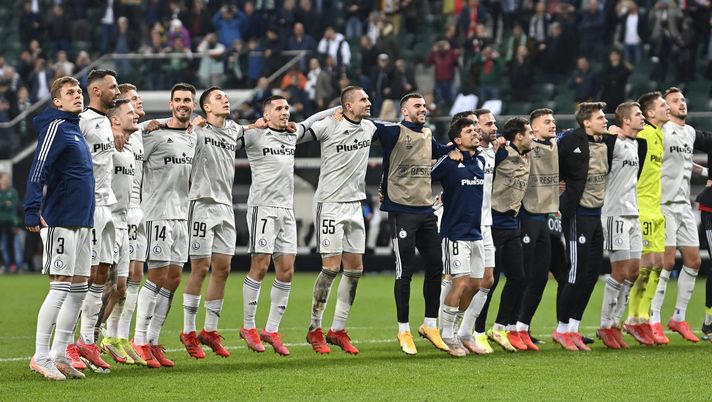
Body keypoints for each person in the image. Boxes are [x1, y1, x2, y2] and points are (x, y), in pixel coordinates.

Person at [239, 96, 335, 356]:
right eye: (279, 109)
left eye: (286, 108)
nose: (285, 112)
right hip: (262, 208)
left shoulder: (292, 135)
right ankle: (248, 327)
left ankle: (271, 329)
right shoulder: (255, 135)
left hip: (286, 210)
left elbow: (314, 120)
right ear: (266, 114)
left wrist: (339, 107)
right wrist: (249, 126)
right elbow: (227, 133)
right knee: (259, 266)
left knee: (287, 270)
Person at [374, 93, 454, 355]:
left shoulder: (428, 134)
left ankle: (430, 325)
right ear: (404, 111)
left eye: (424, 105)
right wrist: (339, 113)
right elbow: (367, 127)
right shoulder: (393, 132)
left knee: (436, 266)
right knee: (404, 270)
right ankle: (403, 329)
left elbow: (441, 151)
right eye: (417, 106)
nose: (424, 109)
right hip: (401, 210)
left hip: (425, 210)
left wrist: (457, 147)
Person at [25, 76, 93, 380]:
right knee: (61, 285)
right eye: (70, 93)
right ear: (57, 101)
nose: (78, 95)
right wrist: (31, 208)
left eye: (79, 91)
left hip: (82, 220)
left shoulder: (74, 130)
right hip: (62, 218)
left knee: (79, 288)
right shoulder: (56, 128)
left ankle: (60, 353)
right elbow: (38, 168)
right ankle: (41, 355)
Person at [302, 86, 376, 355]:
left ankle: (338, 329)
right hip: (330, 205)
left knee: (355, 270)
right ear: (347, 106)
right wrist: (328, 111)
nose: (369, 102)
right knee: (331, 268)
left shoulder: (369, 128)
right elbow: (299, 130)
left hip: (355, 206)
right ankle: (314, 328)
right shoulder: (328, 126)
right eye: (363, 99)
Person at [132, 83, 197, 368]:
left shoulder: (195, 136)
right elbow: (128, 137)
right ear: (170, 104)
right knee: (157, 276)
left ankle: (154, 340)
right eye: (178, 100)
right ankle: (139, 340)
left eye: (187, 100)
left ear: (193, 105)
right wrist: (147, 123)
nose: (183, 104)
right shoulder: (154, 134)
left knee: (173, 278)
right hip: (157, 214)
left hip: (181, 216)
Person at [180, 87, 247, 359]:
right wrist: (191, 123)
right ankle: (188, 331)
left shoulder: (232, 129)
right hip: (202, 203)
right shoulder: (197, 129)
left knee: (223, 268)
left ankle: (210, 330)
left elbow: (251, 128)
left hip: (225, 205)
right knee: (200, 267)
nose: (225, 99)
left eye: (226, 97)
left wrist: (261, 122)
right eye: (218, 98)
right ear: (206, 107)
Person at [652, 88, 712, 343]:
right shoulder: (660, 132)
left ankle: (678, 317)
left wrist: (708, 174)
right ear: (666, 107)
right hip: (663, 203)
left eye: (683, 100)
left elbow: (688, 163)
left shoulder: (689, 132)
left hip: (684, 205)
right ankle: (653, 319)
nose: (682, 104)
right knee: (666, 261)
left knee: (694, 261)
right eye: (675, 101)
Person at [74, 69, 120, 373]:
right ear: (96, 90)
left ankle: (87, 340)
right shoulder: (81, 121)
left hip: (108, 206)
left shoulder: (105, 121)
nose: (116, 91)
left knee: (104, 271)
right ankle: (67, 344)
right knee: (84, 275)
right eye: (112, 87)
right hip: (88, 207)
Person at [555, 102, 610, 351]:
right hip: (577, 213)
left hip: (596, 214)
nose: (605, 120)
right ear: (586, 122)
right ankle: (561, 329)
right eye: (600, 117)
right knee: (576, 272)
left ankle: (574, 328)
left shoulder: (607, 141)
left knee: (591, 273)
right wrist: (558, 185)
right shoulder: (569, 140)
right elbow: (545, 156)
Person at [431, 118, 485, 357]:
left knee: (475, 285)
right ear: (456, 140)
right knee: (460, 282)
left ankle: (454, 329)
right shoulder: (449, 161)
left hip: (476, 232)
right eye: (468, 131)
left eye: (475, 129)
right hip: (455, 233)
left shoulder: (480, 159)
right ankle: (448, 334)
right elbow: (424, 175)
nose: (475, 133)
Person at [481, 117, 532, 352]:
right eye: (529, 132)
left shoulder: (527, 154)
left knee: (519, 278)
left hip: (512, 224)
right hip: (493, 223)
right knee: (489, 282)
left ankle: (499, 327)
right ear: (518, 136)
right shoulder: (501, 153)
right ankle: (477, 330)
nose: (532, 136)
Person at [597, 101, 645, 349]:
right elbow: (593, 143)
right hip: (615, 214)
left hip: (633, 214)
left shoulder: (638, 144)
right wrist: (608, 133)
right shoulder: (612, 143)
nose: (643, 118)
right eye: (638, 115)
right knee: (620, 271)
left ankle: (616, 323)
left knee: (635, 271)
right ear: (625, 120)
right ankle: (606, 326)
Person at [623, 92, 669, 345]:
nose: (668, 109)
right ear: (650, 113)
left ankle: (642, 318)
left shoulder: (660, 135)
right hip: (641, 206)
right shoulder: (644, 135)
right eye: (663, 106)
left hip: (656, 207)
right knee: (644, 265)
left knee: (659, 264)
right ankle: (634, 318)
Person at [99, 99, 141, 363]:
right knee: (100, 282)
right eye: (130, 113)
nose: (136, 115)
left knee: (121, 286)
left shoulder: (128, 149)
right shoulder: (108, 148)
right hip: (108, 222)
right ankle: (85, 338)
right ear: (115, 120)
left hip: (125, 223)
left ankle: (99, 334)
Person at [513, 108, 559, 351]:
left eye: (553, 121)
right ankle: (510, 327)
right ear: (533, 128)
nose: (552, 125)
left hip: (545, 217)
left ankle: (523, 327)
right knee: (524, 276)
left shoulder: (556, 145)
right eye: (547, 122)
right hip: (526, 216)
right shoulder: (525, 148)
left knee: (540, 277)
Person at [113, 83, 148, 365]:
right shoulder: (115, 132)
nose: (140, 103)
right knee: (112, 279)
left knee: (134, 276)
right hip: (117, 212)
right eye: (134, 99)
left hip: (137, 210)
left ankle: (120, 336)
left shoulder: (139, 133)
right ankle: (100, 335)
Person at [468, 109, 498, 354]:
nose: (494, 127)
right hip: (463, 223)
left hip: (485, 223)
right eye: (489, 123)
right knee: (457, 280)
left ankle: (466, 333)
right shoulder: (462, 151)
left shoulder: (492, 151)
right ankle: (442, 329)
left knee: (487, 280)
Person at [0, 172, 19, 273]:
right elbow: (6, 205)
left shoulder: (12, 192)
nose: (6, 180)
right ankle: (2, 265)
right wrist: (5, 203)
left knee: (10, 244)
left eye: (7, 178)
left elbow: (13, 205)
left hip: (10, 222)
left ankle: (13, 265)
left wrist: (3, 203)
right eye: (4, 178)